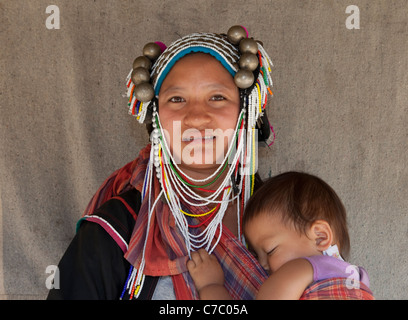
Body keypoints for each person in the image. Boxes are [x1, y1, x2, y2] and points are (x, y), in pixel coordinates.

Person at [47, 26, 276, 299]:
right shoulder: (119, 229)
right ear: (156, 119)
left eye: (217, 97)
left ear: (245, 111)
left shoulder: (282, 214)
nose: (196, 117)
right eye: (176, 99)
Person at [187, 171, 374, 300]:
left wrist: (211, 287)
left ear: (320, 237)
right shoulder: (359, 278)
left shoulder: (305, 267)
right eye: (257, 256)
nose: (263, 265)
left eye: (270, 251)